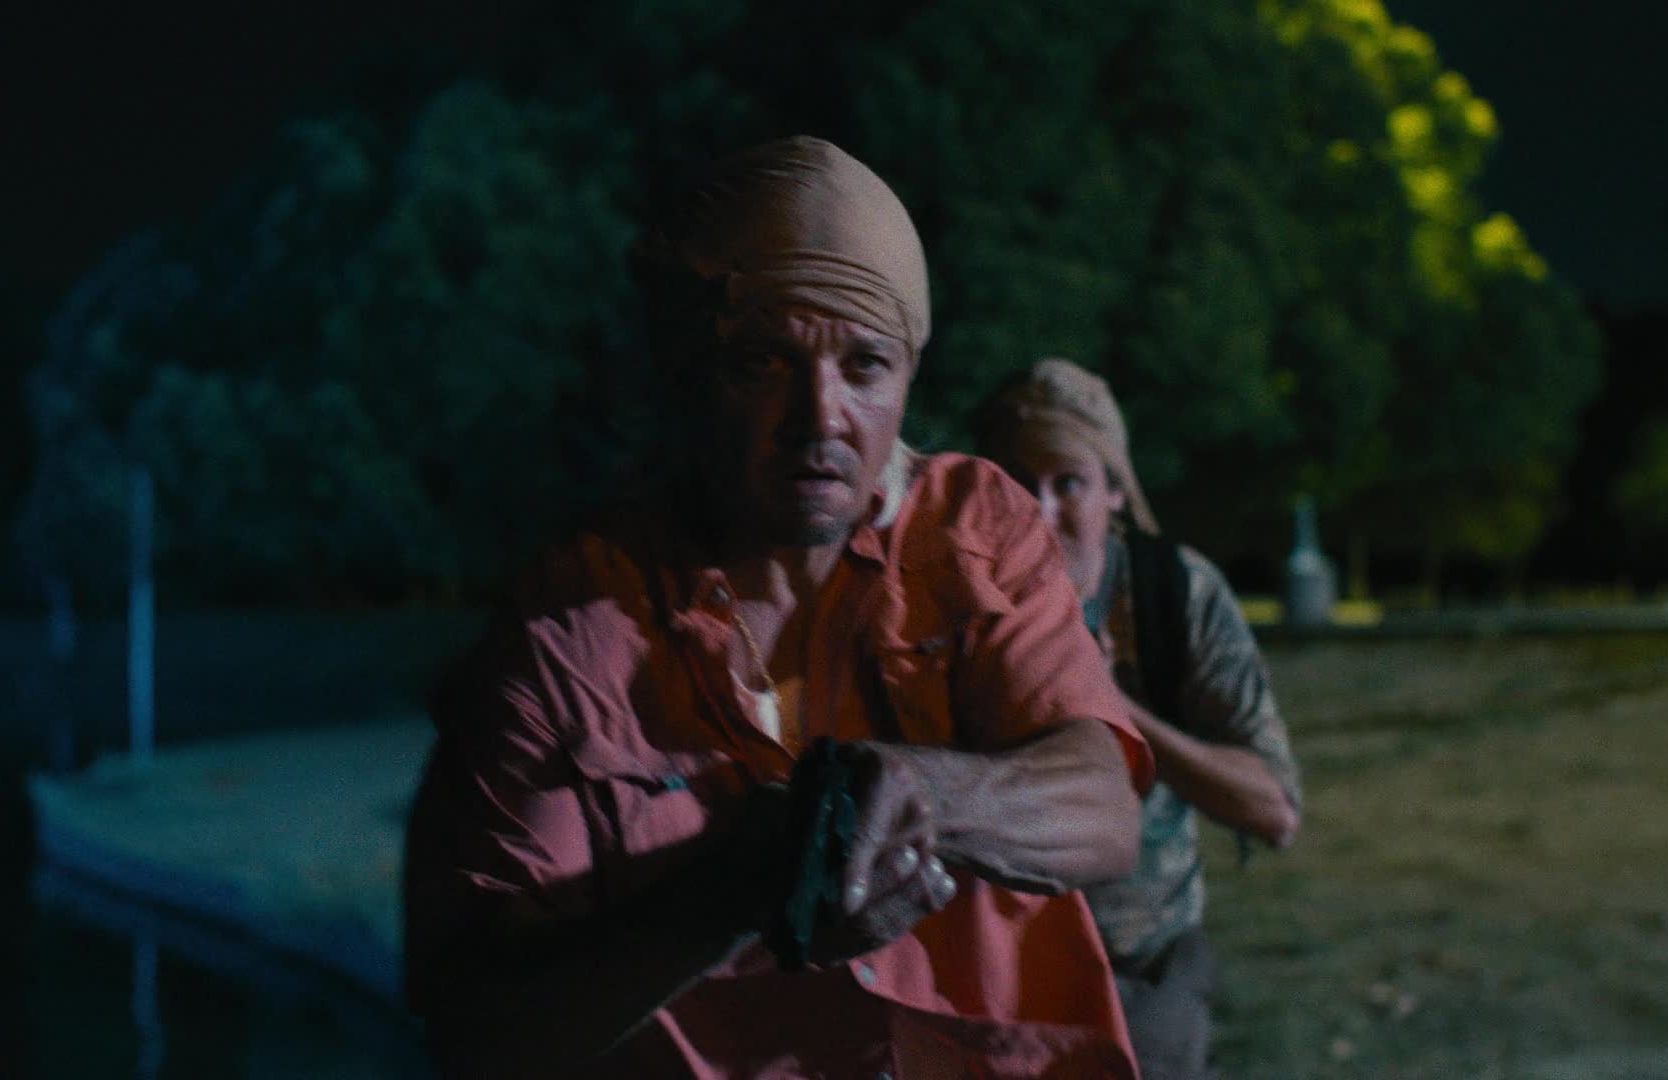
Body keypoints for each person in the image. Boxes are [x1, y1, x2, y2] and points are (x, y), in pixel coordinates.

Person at [402, 138, 1157, 1079]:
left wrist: (923, 793)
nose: (821, 417)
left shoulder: (974, 532)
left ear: (907, 380)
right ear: (686, 374)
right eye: (764, 362)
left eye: (866, 365)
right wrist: (730, 891)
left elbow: (1103, 811)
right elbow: (477, 1031)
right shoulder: (565, 638)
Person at [974, 359, 1303, 1080]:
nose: (1040, 511)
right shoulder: (947, 594)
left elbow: (1274, 812)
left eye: (1069, 483)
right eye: (1017, 485)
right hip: (986, 970)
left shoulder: (1174, 596)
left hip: (1141, 963)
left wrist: (1108, 701)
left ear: (1115, 491)